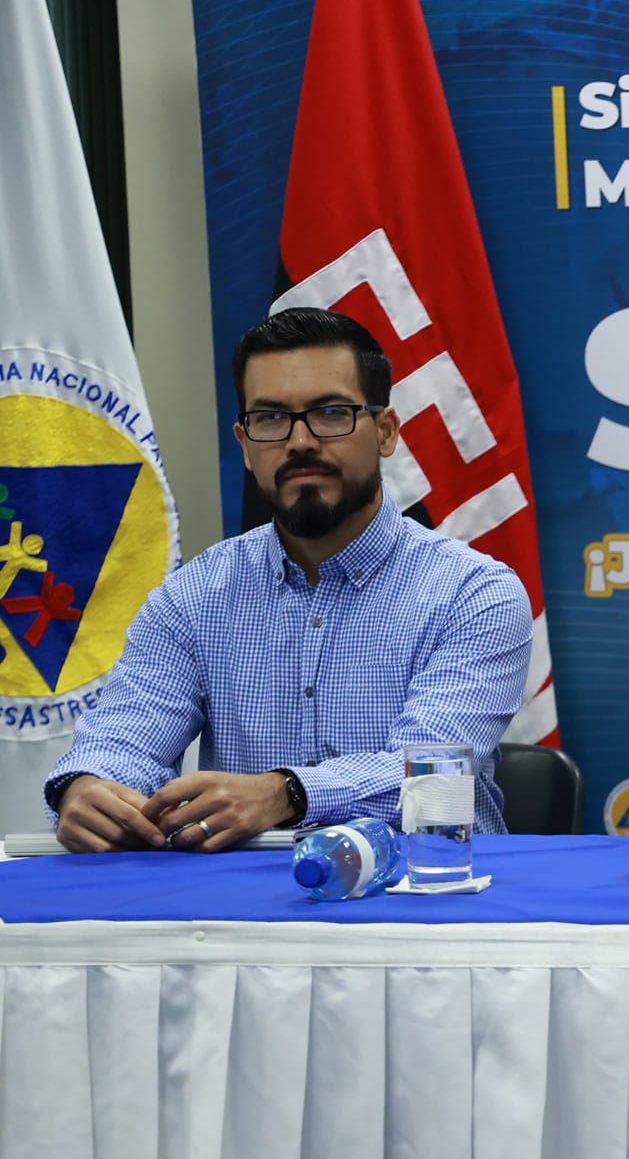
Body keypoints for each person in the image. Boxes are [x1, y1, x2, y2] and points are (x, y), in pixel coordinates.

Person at [45, 307, 532, 853]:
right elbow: (124, 737)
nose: (299, 441)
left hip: (427, 901)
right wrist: (87, 787)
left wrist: (287, 795)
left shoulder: (475, 593)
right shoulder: (195, 595)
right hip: (238, 912)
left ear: (387, 431)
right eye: (271, 418)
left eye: (330, 413)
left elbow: (434, 783)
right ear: (246, 444)